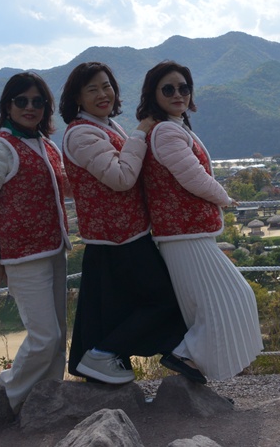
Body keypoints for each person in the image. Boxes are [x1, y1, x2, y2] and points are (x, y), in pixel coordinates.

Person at [58, 61, 190, 384]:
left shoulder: (104, 125)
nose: (103, 94)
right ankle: (104, 352)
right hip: (117, 239)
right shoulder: (82, 133)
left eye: (107, 86)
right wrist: (141, 132)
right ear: (77, 97)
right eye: (92, 89)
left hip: (123, 234)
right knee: (164, 300)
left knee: (116, 309)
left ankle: (106, 356)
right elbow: (121, 178)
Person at [137, 60, 264, 383]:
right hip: (184, 234)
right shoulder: (167, 131)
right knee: (234, 296)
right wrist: (225, 198)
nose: (178, 94)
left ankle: (192, 360)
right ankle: (185, 355)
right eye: (168, 89)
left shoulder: (169, 127)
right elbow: (192, 176)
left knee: (208, 305)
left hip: (184, 233)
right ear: (154, 93)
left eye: (184, 87)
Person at [0, 71, 70, 412]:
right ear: (7, 106)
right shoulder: (0, 148)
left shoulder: (46, 145)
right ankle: (6, 399)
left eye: (38, 102)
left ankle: (46, 399)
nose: (30, 107)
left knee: (57, 337)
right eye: (21, 101)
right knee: (45, 337)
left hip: (53, 249)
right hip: (22, 257)